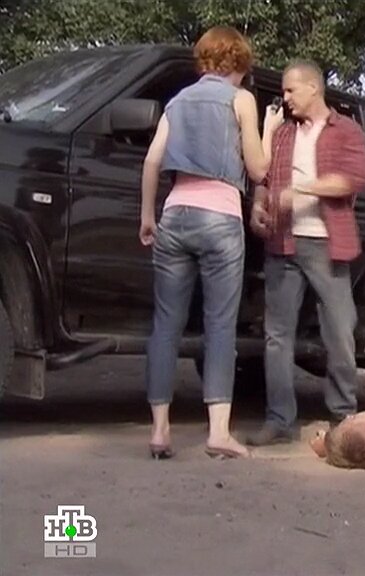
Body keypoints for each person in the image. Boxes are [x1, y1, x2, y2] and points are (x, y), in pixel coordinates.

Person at [139, 26, 283, 460]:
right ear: (238, 63)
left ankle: (160, 430)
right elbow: (258, 169)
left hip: (175, 213)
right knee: (219, 324)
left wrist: (147, 216)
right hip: (220, 217)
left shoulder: (178, 101)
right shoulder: (241, 99)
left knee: (166, 324)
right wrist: (271, 129)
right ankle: (218, 432)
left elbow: (152, 160)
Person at [245, 59, 365, 446]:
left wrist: (300, 190)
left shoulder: (346, 130)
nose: (284, 97)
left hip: (326, 243)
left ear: (313, 88)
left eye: (290, 90)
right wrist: (258, 206)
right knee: (276, 335)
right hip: (282, 242)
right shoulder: (283, 133)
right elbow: (265, 177)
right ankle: (278, 419)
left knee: (340, 331)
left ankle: (343, 416)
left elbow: (352, 179)